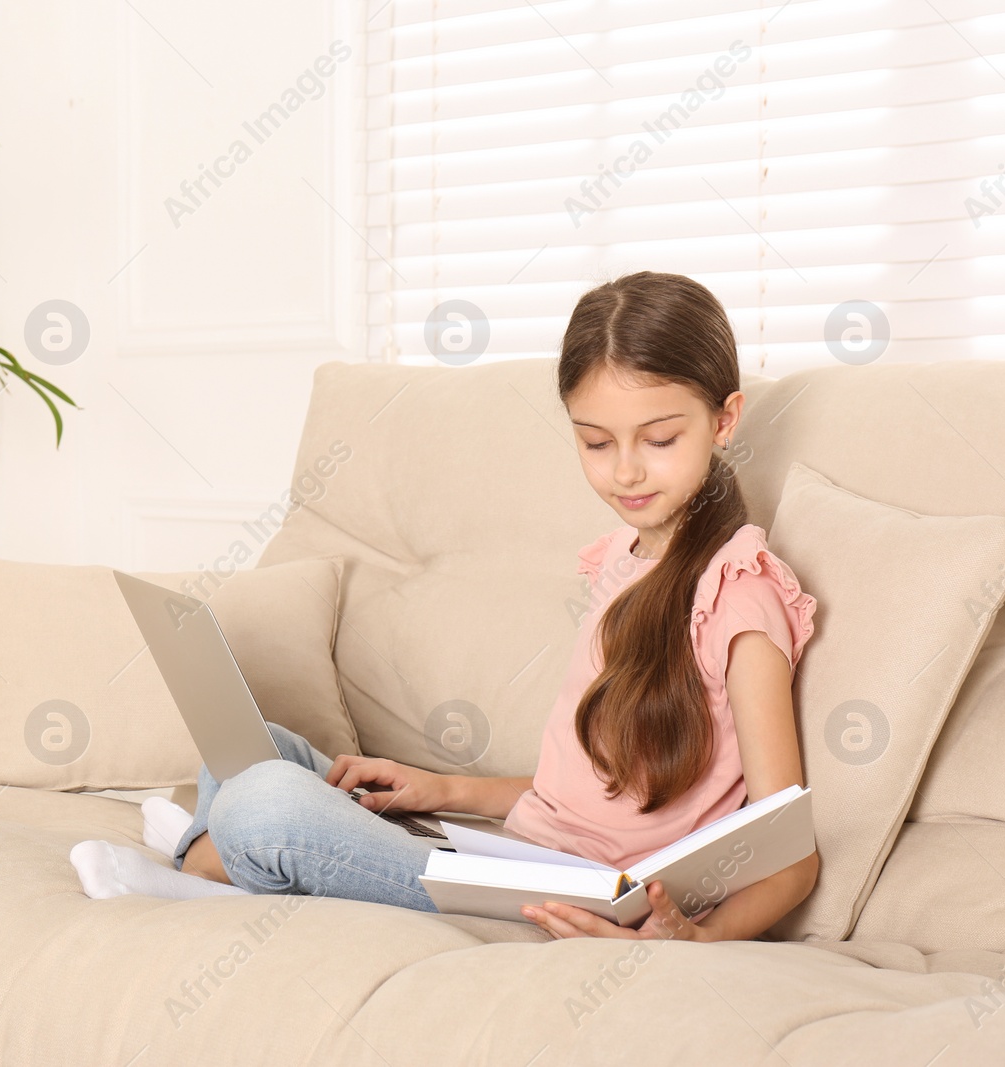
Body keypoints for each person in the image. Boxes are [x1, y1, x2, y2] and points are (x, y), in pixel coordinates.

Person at [68, 270, 820, 943]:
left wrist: (693, 939)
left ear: (724, 421)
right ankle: (214, 855)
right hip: (517, 853)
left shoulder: (741, 596)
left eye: (659, 438)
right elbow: (581, 795)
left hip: (578, 895)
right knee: (249, 741)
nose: (626, 469)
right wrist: (442, 788)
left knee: (262, 802)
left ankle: (200, 869)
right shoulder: (622, 561)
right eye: (596, 442)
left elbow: (790, 850)